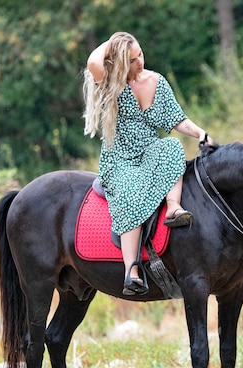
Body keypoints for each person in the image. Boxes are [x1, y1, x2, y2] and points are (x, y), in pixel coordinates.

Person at [82, 32, 213, 296]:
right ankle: (131, 270)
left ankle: (173, 208)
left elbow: (177, 119)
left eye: (140, 54)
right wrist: (115, 41)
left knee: (172, 146)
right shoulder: (111, 84)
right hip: (120, 158)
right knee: (130, 191)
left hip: (149, 150)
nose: (139, 62)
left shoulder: (156, 81)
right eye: (131, 59)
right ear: (119, 62)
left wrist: (200, 133)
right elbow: (93, 62)